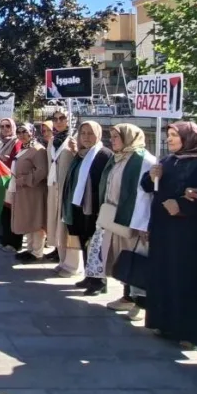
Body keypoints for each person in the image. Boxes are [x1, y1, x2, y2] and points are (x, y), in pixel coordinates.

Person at [142, 122, 197, 348]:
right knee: (163, 275)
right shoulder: (167, 161)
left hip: (188, 232)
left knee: (186, 278)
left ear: (189, 138)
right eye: (169, 135)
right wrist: (151, 175)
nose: (170, 139)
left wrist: (182, 206)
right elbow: (148, 187)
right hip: (162, 229)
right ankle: (164, 323)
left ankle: (189, 332)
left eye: (175, 135)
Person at [89, 124, 155, 321]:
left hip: (134, 219)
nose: (113, 140)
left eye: (117, 136)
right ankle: (127, 296)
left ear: (129, 137)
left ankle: (140, 304)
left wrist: (144, 224)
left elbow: (147, 194)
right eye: (112, 136)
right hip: (116, 217)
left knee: (135, 259)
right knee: (122, 257)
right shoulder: (118, 158)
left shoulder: (143, 160)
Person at [61, 121, 112, 295]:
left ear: (98, 134)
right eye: (83, 133)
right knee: (84, 241)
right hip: (79, 205)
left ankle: (99, 281)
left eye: (90, 133)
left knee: (95, 243)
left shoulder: (104, 155)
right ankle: (89, 276)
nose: (86, 137)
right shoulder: (81, 154)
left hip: (94, 207)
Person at [9, 122, 48, 262]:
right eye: (19, 132)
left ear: (32, 132)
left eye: (25, 132)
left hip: (34, 191)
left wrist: (24, 180)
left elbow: (42, 171)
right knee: (28, 220)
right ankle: (30, 248)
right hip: (23, 192)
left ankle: (37, 252)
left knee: (36, 220)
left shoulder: (38, 149)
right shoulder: (24, 148)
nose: (22, 135)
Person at [45, 110, 77, 270]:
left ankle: (70, 262)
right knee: (54, 221)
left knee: (66, 224)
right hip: (54, 186)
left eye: (62, 118)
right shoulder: (53, 141)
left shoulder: (75, 139)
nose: (58, 121)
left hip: (67, 188)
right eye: (55, 119)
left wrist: (77, 150)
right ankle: (59, 253)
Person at [0, 118, 24, 251]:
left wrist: (7, 160)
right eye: (2, 126)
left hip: (11, 182)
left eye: (8, 126)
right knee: (4, 212)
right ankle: (5, 240)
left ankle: (14, 243)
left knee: (12, 213)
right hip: (1, 181)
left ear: (13, 127)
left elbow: (17, 160)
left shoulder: (17, 142)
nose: (5, 129)